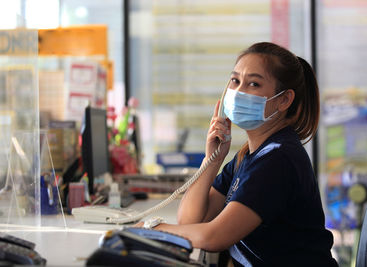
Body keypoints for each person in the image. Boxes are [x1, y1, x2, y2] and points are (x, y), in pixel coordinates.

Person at [136, 42, 337, 266]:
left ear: (284, 100)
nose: (239, 92)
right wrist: (212, 159)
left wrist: (148, 229)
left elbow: (214, 237)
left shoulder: (278, 159)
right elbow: (191, 220)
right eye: (235, 81)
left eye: (253, 83)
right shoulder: (248, 156)